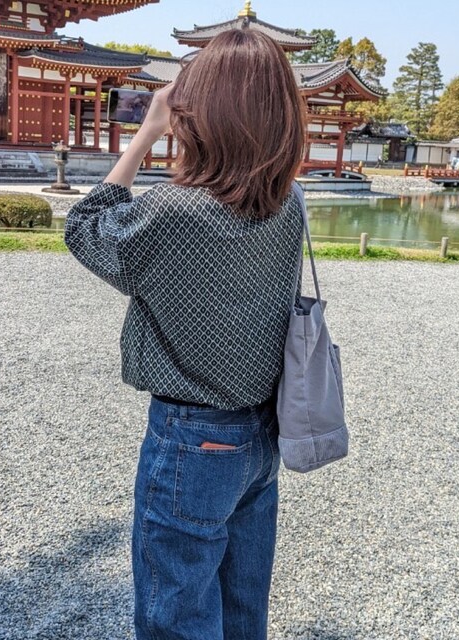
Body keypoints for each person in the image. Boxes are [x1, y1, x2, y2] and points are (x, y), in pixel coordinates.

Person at [65, 29, 306, 640]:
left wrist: (146, 133)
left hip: (192, 435)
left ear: (201, 112)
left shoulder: (175, 210)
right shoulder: (290, 201)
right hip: (263, 431)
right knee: (242, 603)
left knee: (176, 613)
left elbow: (85, 226)